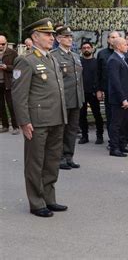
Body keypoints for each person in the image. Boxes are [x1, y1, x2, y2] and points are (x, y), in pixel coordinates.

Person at [11, 18, 68, 217]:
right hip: (37, 121)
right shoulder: (26, 60)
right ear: (35, 37)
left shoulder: (51, 58)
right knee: (36, 162)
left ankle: (49, 198)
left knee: (52, 162)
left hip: (56, 118)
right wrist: (24, 122)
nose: (51, 37)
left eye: (52, 34)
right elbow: (18, 95)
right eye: (47, 34)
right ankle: (36, 202)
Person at [51, 26, 85, 170]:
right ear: (58, 39)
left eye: (71, 37)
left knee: (72, 130)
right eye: (66, 36)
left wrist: (81, 98)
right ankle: (59, 158)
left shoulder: (75, 56)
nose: (70, 39)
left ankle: (69, 156)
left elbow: (79, 80)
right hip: (63, 100)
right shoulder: (54, 56)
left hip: (76, 99)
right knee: (61, 131)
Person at [107, 37, 128, 157]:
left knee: (125, 123)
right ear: (118, 46)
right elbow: (115, 82)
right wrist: (122, 98)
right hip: (119, 98)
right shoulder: (113, 60)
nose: (127, 46)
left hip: (126, 96)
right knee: (116, 123)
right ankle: (114, 148)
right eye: (125, 44)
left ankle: (122, 145)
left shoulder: (123, 58)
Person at [96, 31, 121, 144]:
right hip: (108, 90)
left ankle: (121, 139)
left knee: (122, 117)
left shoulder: (124, 53)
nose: (114, 39)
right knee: (110, 116)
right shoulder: (102, 54)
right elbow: (98, 73)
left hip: (121, 91)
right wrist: (98, 89)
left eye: (116, 37)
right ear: (108, 40)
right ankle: (112, 140)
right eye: (112, 37)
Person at [78, 41, 104, 144]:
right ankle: (84, 136)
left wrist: (99, 90)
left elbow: (99, 77)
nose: (86, 49)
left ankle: (100, 136)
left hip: (94, 92)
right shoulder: (79, 62)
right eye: (84, 48)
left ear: (92, 49)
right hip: (82, 92)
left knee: (97, 115)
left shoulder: (97, 62)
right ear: (81, 50)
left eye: (88, 47)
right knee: (82, 115)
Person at [0, 34, 20, 134]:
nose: (1, 46)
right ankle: (5, 125)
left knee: (11, 105)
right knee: (1, 106)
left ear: (6, 43)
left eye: (3, 44)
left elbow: (18, 68)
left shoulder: (12, 53)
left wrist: (6, 67)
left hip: (8, 83)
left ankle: (16, 126)